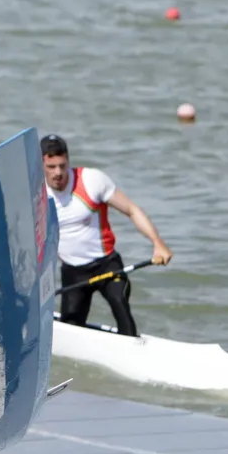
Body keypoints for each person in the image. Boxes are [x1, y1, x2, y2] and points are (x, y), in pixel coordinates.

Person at [41, 133, 172, 336]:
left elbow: (132, 210)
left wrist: (158, 243)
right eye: (51, 167)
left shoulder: (91, 181)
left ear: (68, 160)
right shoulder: (36, 195)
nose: (58, 172)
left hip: (106, 265)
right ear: (41, 166)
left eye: (62, 165)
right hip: (73, 272)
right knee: (71, 326)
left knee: (120, 304)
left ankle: (132, 348)